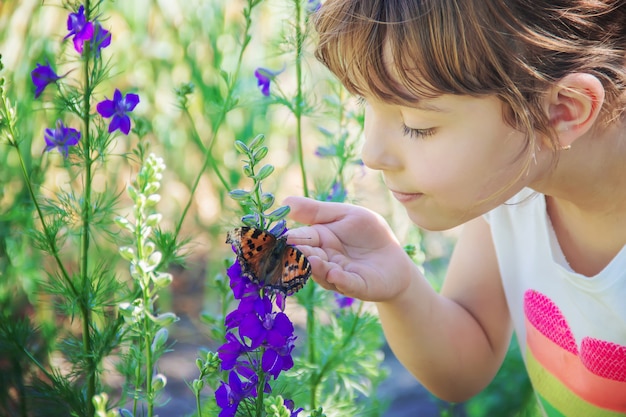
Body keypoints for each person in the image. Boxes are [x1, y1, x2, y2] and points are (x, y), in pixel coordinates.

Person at [283, 1, 626, 416]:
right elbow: (464, 366)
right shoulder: (517, 183)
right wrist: (402, 288)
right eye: (364, 104)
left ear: (562, 110)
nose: (370, 153)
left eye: (417, 125)